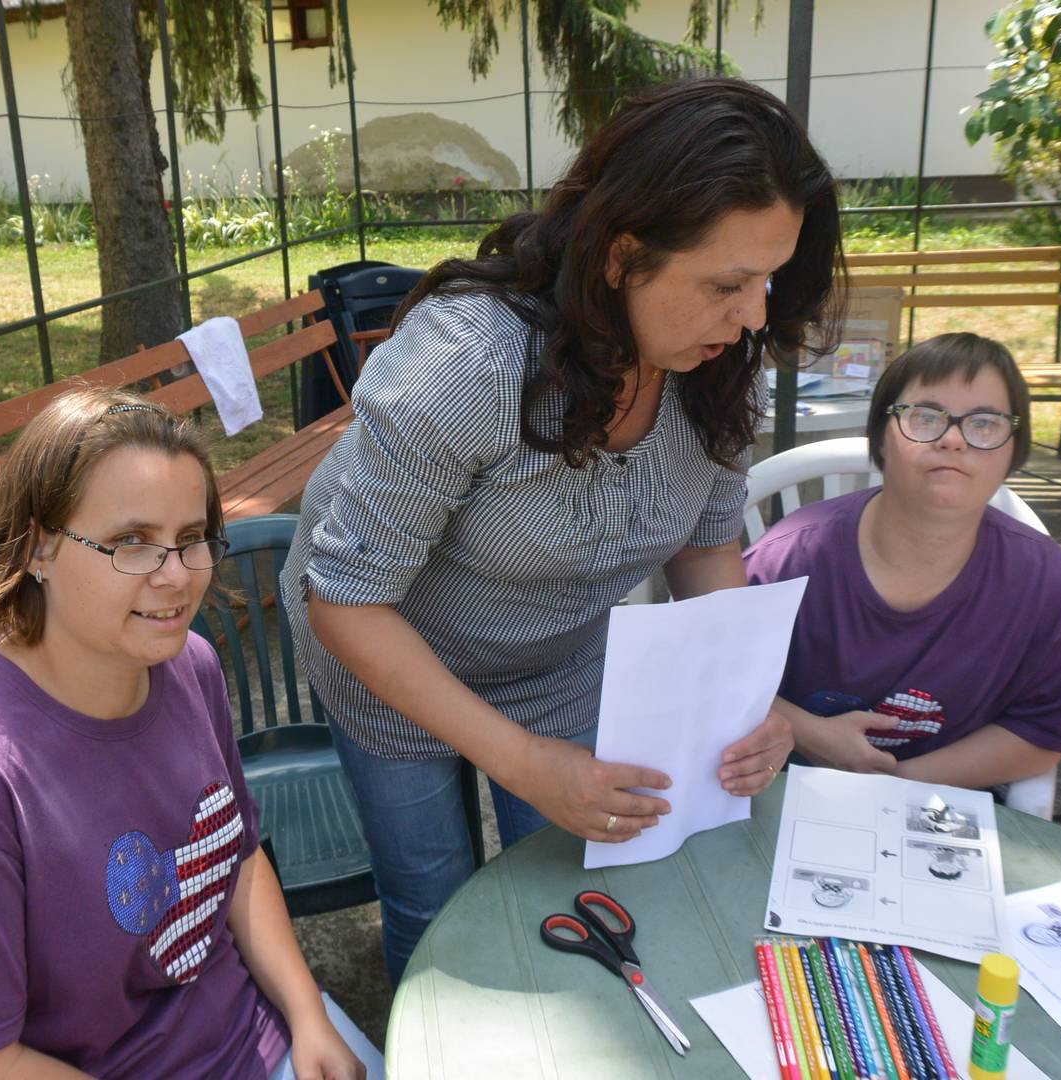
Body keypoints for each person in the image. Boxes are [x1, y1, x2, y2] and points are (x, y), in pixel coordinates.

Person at [279, 76, 845, 982]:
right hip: (386, 654)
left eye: (767, 281)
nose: (753, 316)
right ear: (623, 257)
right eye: (727, 284)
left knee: (571, 877)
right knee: (432, 897)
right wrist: (524, 762)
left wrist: (746, 705)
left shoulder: (714, 364)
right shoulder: (467, 366)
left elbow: (705, 546)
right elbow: (347, 602)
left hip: (556, 658)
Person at [0, 388, 369, 1080]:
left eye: (191, 539)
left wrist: (308, 1015)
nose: (177, 576)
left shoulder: (189, 666)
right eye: (132, 543)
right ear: (36, 547)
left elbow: (238, 858)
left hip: (257, 1039)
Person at [744, 333, 1061, 791]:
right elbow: (714, 674)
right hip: (784, 793)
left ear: (1014, 451)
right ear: (880, 437)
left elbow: (1044, 730)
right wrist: (813, 735)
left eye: (985, 423)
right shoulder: (788, 560)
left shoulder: (1056, 594)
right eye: (925, 417)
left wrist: (895, 785)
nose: (953, 439)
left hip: (943, 804)